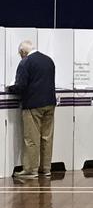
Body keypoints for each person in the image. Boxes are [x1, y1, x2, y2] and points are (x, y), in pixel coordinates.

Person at [8, 40, 56, 179]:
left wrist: (11, 87)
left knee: (32, 138)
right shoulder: (49, 60)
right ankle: (46, 168)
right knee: (47, 137)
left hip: (33, 105)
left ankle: (30, 170)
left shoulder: (26, 62)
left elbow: (20, 86)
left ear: (23, 52)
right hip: (50, 103)